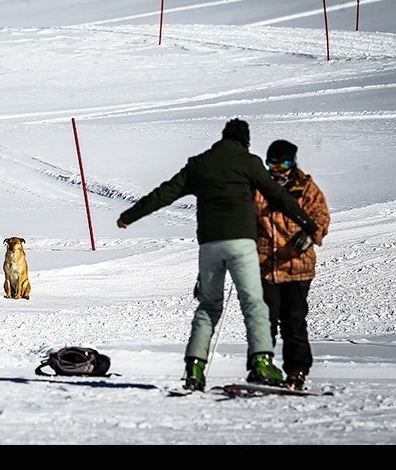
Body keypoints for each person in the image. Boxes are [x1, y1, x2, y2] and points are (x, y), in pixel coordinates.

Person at [116, 118, 319, 392]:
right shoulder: (249, 162)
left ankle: (195, 368)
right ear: (245, 141)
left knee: (208, 306)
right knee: (254, 304)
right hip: (242, 244)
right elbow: (277, 196)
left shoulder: (199, 164)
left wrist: (130, 215)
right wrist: (306, 223)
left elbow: (165, 193)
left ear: (221, 138)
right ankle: (261, 363)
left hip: (210, 245)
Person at [255, 139, 330, 391]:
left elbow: (321, 216)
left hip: (297, 266)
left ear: (293, 163)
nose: (278, 171)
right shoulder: (258, 187)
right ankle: (261, 367)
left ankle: (296, 371)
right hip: (265, 266)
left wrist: (310, 233)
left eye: (283, 165)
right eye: (272, 165)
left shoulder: (305, 187)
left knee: (293, 321)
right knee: (263, 320)